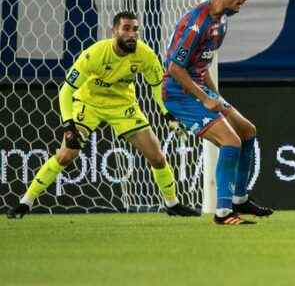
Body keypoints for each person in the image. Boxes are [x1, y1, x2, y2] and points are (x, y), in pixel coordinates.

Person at [7, 11, 200, 219]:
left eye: (135, 29)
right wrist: (69, 126)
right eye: (126, 29)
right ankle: (25, 202)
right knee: (65, 155)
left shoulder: (145, 54)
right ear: (114, 31)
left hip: (123, 106)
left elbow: (156, 86)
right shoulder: (94, 54)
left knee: (157, 157)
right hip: (89, 103)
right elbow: (66, 91)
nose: (131, 34)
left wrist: (167, 114)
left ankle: (172, 204)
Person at [163, 0, 273, 226]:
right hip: (179, 93)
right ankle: (223, 213)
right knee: (231, 141)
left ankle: (240, 199)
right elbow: (174, 68)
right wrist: (204, 98)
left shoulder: (222, 20)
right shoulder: (197, 24)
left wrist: (215, 96)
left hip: (200, 88)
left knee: (247, 131)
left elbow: (202, 64)